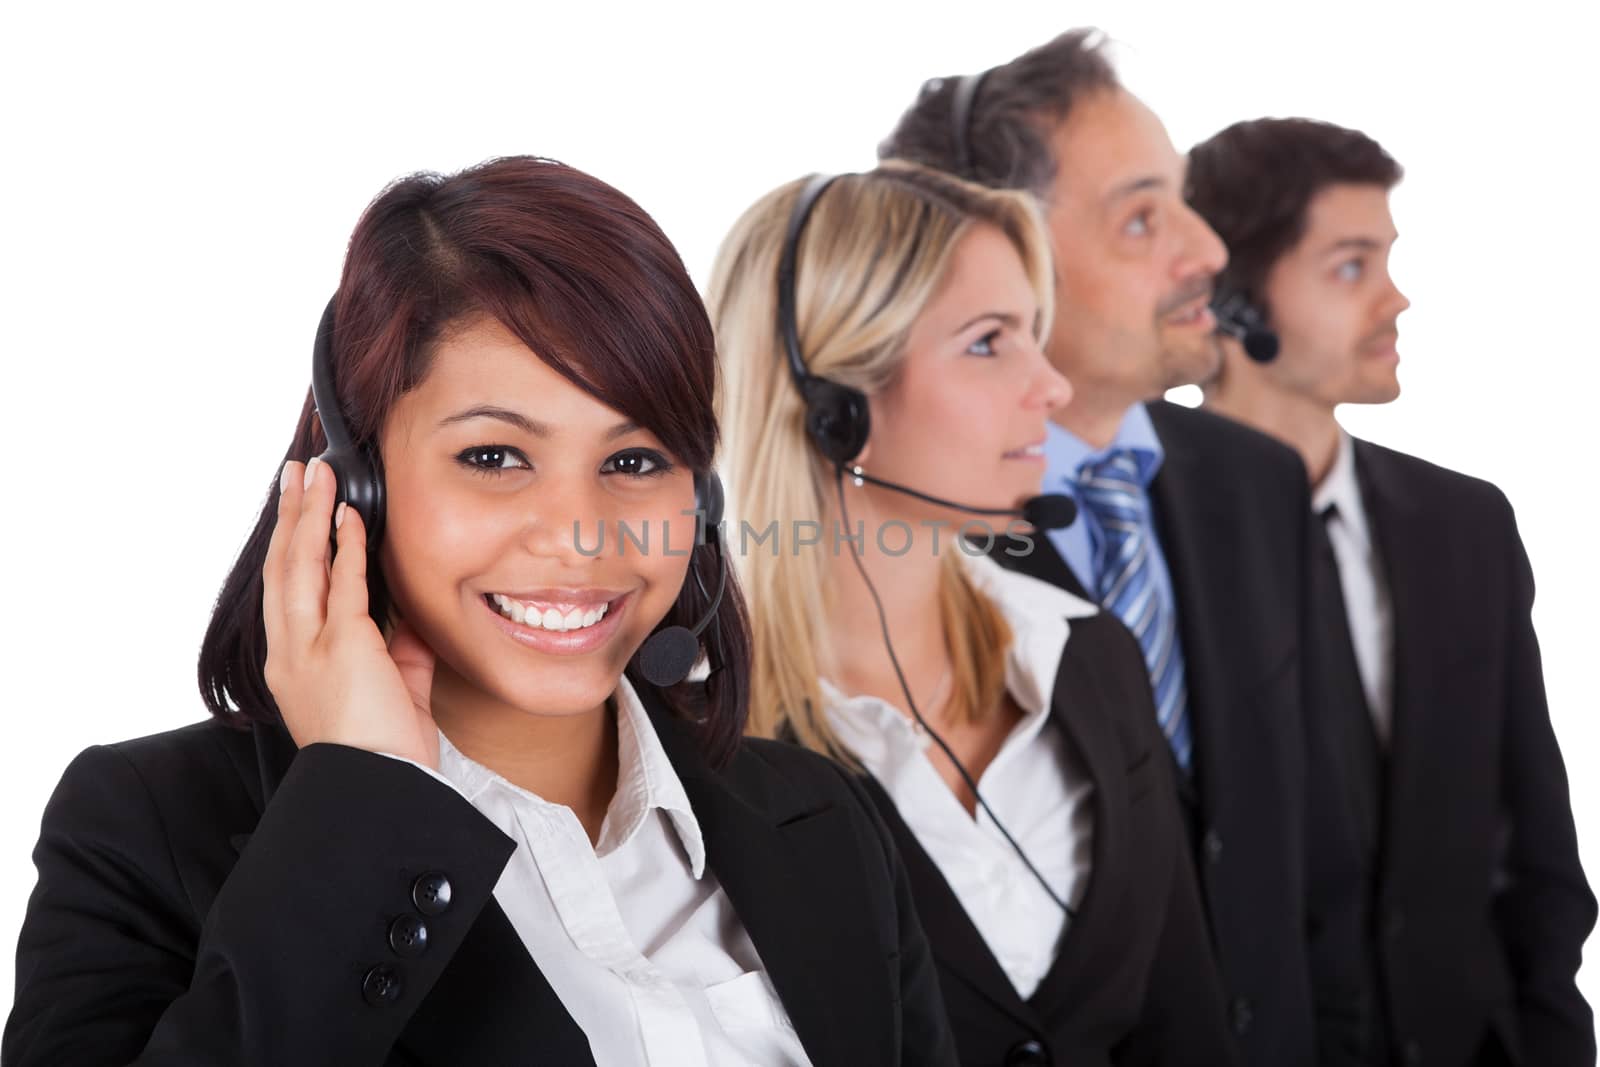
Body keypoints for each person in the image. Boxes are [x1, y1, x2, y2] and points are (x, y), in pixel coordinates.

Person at [3, 156, 957, 1067]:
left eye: (634, 461)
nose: (581, 536)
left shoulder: (825, 819)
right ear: (358, 486)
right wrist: (360, 805)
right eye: (495, 456)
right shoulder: (145, 829)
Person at [879, 29, 1368, 1066]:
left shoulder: (1257, 479)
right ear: (984, 254)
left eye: (1185, 201)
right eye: (1142, 218)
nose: (1207, 251)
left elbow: (1325, 857)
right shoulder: (889, 536)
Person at [709, 160, 1237, 1066]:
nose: (1053, 387)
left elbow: (1185, 1026)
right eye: (990, 342)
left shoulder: (1085, 655)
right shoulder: (695, 737)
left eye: (1036, 334)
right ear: (832, 404)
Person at [1187, 116, 1596, 1067]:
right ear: (1235, 296)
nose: (1396, 298)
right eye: (1350, 266)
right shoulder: (1148, 536)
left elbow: (1536, 849)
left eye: (1388, 262)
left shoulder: (1465, 524)